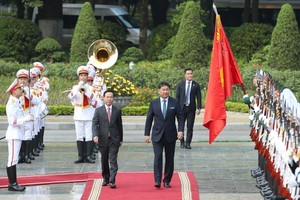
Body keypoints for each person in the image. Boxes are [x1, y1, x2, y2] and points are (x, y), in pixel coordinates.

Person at [144, 81, 184, 189]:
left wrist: (180, 130)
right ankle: (157, 180)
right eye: (163, 90)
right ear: (159, 91)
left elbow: (180, 117)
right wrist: (146, 134)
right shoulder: (154, 103)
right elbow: (149, 119)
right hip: (157, 135)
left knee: (169, 158)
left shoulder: (175, 102)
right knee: (157, 157)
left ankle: (167, 180)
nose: (165, 92)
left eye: (167, 89)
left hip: (170, 135)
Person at [5, 79, 34, 191]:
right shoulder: (11, 103)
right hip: (13, 134)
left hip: (17, 134)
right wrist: (26, 118)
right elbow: (12, 121)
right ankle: (12, 184)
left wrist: (27, 122)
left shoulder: (17, 101)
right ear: (13, 91)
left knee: (14, 159)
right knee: (12, 159)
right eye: (18, 88)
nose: (21, 90)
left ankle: (13, 183)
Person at [92, 90, 123, 189]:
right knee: (104, 160)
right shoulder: (98, 110)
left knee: (113, 160)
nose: (109, 99)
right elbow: (95, 124)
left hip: (114, 139)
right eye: (107, 97)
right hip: (103, 139)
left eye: (111, 97)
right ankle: (106, 178)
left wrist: (121, 139)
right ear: (103, 98)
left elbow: (119, 126)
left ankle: (112, 180)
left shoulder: (117, 111)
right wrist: (95, 135)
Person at [68, 66, 97, 164]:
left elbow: (95, 101)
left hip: (89, 114)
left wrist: (86, 91)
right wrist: (78, 88)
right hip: (79, 114)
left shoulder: (91, 88)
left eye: (85, 75)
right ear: (79, 77)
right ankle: (81, 156)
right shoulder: (75, 88)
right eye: (81, 76)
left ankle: (89, 156)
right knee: (79, 136)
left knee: (89, 136)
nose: (83, 77)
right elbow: (70, 97)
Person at [176, 68, 201, 149]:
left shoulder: (196, 85)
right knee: (181, 126)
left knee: (190, 127)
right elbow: (177, 97)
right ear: (185, 75)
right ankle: (182, 142)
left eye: (191, 73)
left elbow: (199, 97)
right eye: (188, 74)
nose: (190, 75)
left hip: (191, 109)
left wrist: (199, 107)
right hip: (181, 109)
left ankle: (188, 143)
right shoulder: (180, 84)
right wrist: (176, 108)